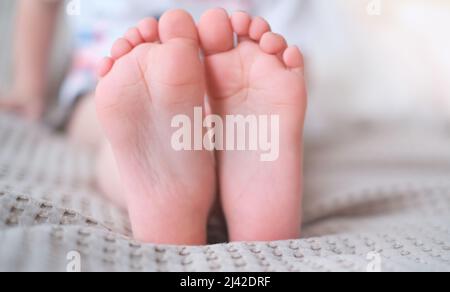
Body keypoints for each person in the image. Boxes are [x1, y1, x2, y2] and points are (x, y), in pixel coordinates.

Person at [0, 1, 306, 245]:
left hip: (107, 70)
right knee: (187, 124)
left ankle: (167, 189)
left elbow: (39, 5)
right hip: (204, 69)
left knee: (111, 134)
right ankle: (236, 162)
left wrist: (29, 86)